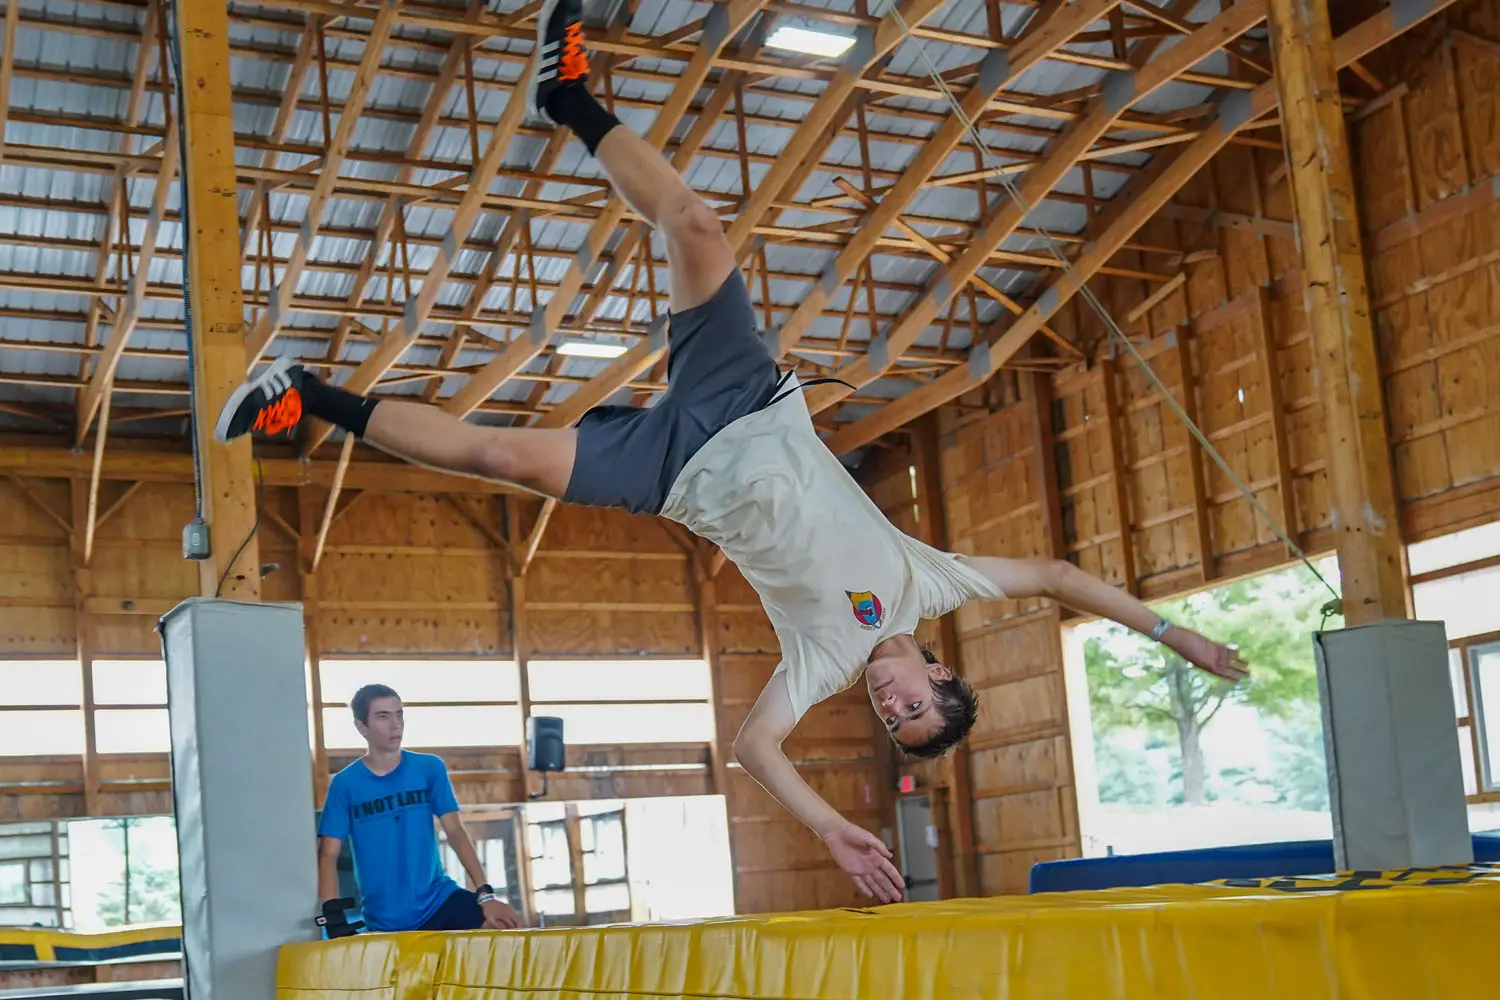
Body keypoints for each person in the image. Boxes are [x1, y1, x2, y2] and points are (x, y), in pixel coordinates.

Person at [220, 0, 1248, 907]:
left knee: (508, 459)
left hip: (679, 473)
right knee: (699, 224)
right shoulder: (929, 582)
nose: (894, 710)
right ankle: (571, 97)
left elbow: (752, 749)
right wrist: (1181, 638)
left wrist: (828, 828)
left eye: (897, 729)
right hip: (751, 398)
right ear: (938, 670)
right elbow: (1060, 574)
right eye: (917, 709)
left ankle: (303, 397)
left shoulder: (824, 660)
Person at [316, 684, 523, 933]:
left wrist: (485, 894)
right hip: (386, 921)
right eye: (383, 717)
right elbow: (327, 854)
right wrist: (333, 914)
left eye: (399, 714)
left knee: (500, 926)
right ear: (361, 727)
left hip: (439, 899)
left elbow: (455, 831)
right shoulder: (345, 784)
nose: (396, 725)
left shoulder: (429, 768)